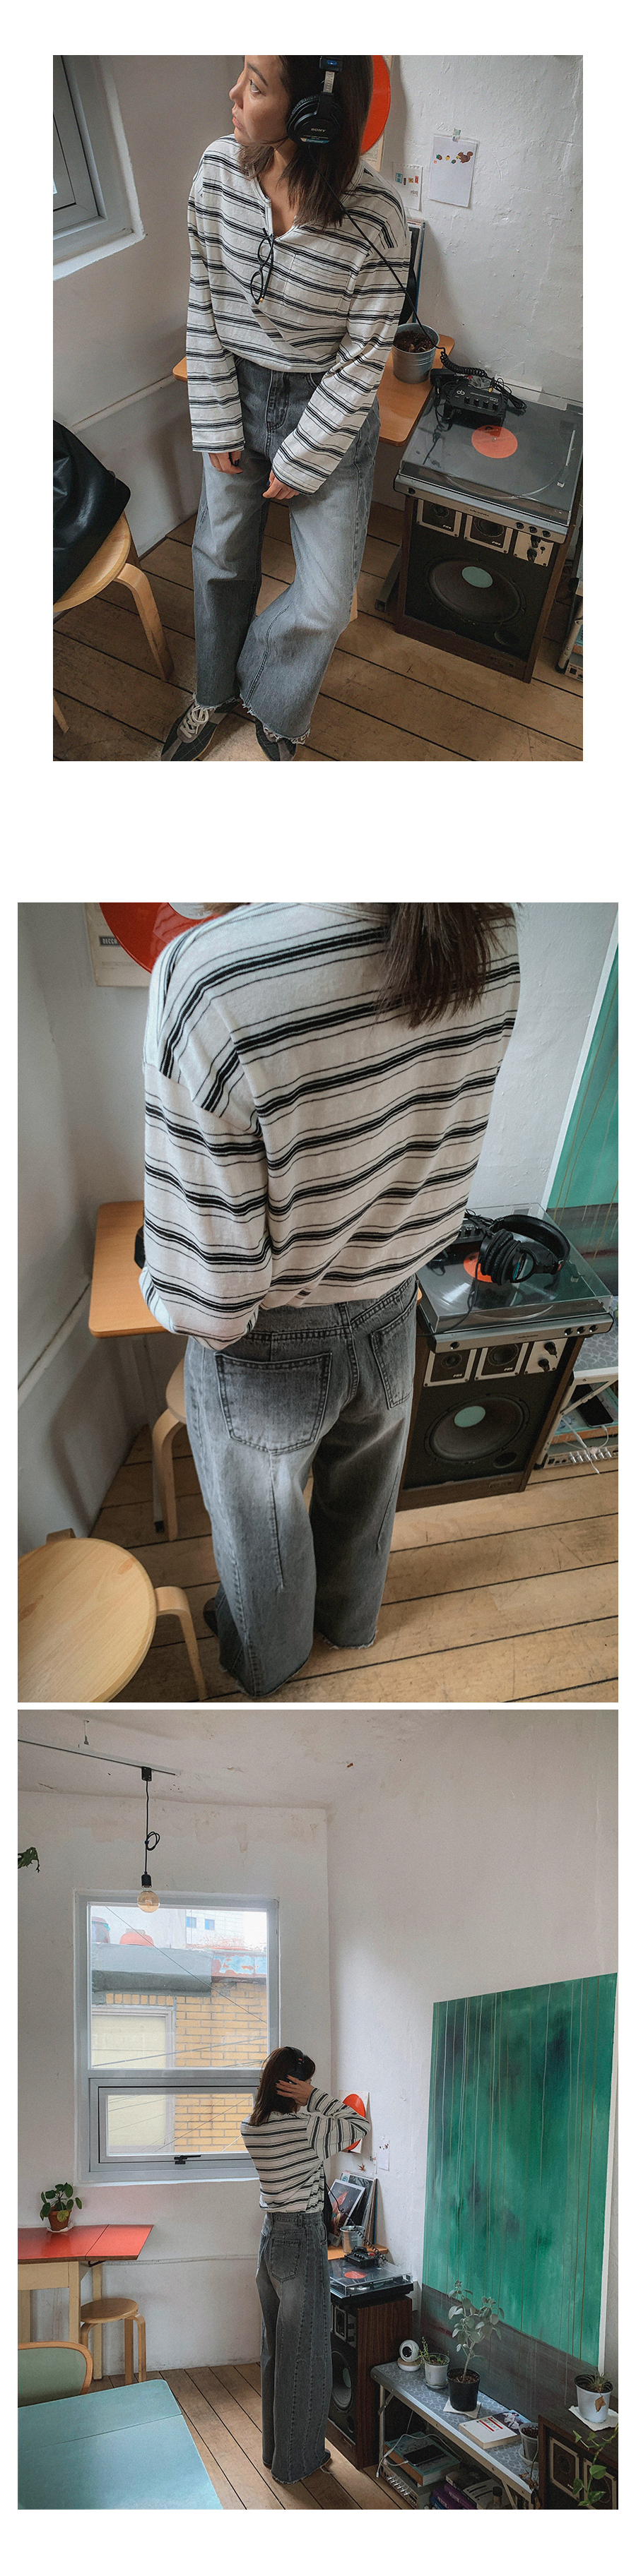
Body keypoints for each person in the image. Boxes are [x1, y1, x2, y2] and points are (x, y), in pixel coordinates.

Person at [140, 902, 520, 1697]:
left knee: (262, 1535)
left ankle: (274, 1666)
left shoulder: (210, 977)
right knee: (365, 1497)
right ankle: (349, 1624)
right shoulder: (485, 925)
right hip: (396, 1301)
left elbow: (209, 1302)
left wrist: (156, 1269)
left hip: (270, 1338)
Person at [161, 56, 409, 762]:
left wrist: (302, 459)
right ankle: (213, 693)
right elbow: (204, 298)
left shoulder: (379, 219)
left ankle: (268, 693)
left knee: (326, 604)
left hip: (325, 407)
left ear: (313, 112)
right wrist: (215, 415)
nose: (233, 93)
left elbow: (363, 359)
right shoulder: (217, 172)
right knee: (218, 559)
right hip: (233, 390)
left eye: (256, 84)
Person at [240, 2045, 370, 2484]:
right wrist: (313, 2096)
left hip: (271, 2239)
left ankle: (276, 2452)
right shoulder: (305, 2127)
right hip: (301, 2240)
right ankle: (296, 2463)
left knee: (276, 2351)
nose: (308, 2087)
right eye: (304, 2080)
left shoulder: (252, 2127)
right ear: (292, 2083)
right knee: (307, 2356)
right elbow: (358, 2127)